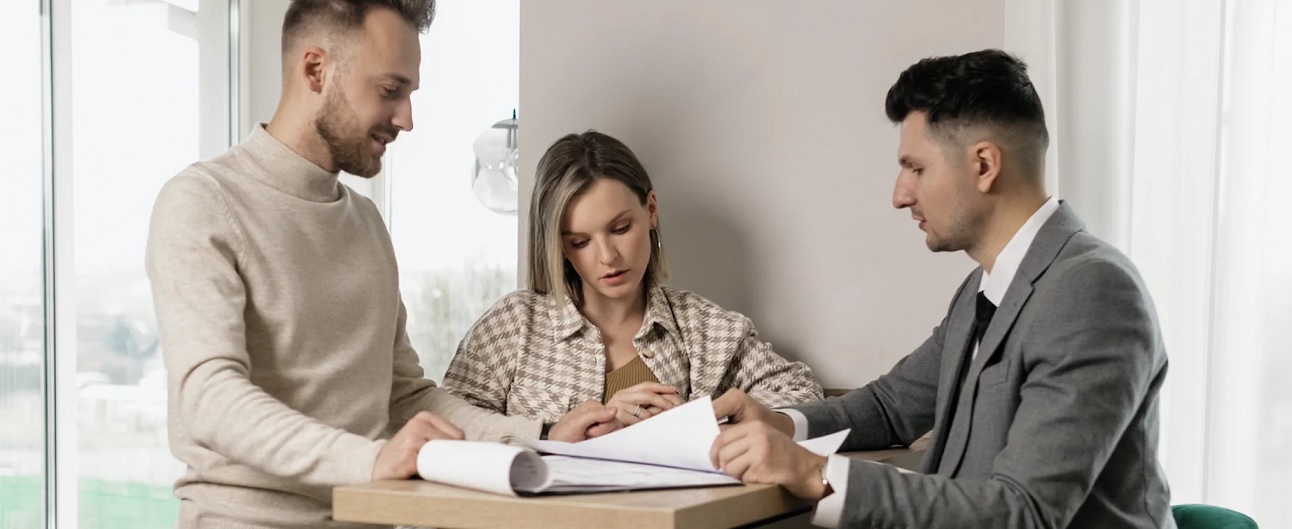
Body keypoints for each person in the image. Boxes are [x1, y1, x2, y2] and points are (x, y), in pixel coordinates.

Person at [145, 2, 611, 527]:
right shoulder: (203, 202)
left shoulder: (365, 222)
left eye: (410, 95)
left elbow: (404, 395)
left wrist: (542, 436)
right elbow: (209, 398)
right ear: (315, 70)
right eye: (390, 91)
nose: (407, 119)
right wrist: (372, 461)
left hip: (370, 516)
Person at [709, 49, 1175, 529]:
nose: (900, 195)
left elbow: (1027, 512)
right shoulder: (985, 287)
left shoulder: (1092, 292)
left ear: (984, 164)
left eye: (916, 168)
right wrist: (781, 423)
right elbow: (892, 406)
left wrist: (814, 473)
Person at [442, 131, 822, 436]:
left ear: (651, 210)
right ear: (559, 246)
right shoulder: (513, 325)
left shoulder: (704, 329)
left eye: (621, 228)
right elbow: (449, 424)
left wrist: (697, 421)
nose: (607, 257)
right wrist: (552, 434)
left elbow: (804, 394)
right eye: (580, 242)